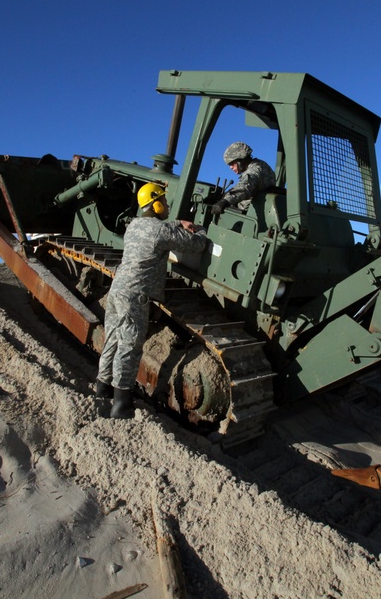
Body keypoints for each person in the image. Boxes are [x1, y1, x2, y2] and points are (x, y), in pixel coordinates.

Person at [96, 182, 207, 418]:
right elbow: (197, 243)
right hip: (135, 296)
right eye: (164, 202)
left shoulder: (134, 225)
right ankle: (121, 404)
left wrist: (176, 223)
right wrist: (201, 229)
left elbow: (158, 229)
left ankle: (102, 387)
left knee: (113, 340)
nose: (167, 206)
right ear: (155, 204)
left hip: (118, 289)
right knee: (130, 346)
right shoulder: (160, 231)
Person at [210, 142, 275, 215]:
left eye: (232, 163)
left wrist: (224, 201)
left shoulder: (254, 169)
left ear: (240, 159)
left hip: (249, 214)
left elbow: (244, 187)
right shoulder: (260, 165)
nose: (231, 167)